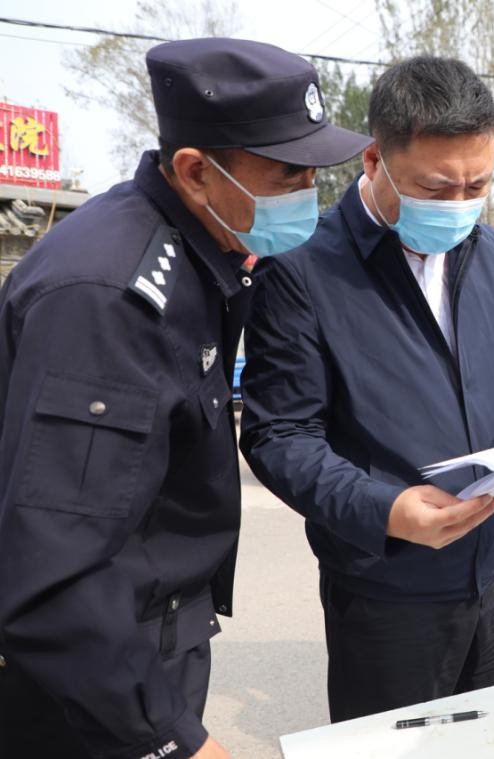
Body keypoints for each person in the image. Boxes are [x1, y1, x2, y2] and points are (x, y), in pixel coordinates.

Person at [0, 39, 369, 759]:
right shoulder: (110, 298)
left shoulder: (201, 250)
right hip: (87, 691)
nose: (307, 191)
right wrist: (169, 738)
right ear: (198, 171)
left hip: (145, 641)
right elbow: (55, 573)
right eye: (287, 173)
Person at [238, 56, 494, 723]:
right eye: (436, 187)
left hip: (490, 569)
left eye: (478, 184)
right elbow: (280, 436)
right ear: (374, 159)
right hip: (387, 586)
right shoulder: (303, 269)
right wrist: (385, 509)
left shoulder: (483, 249)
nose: (458, 204)